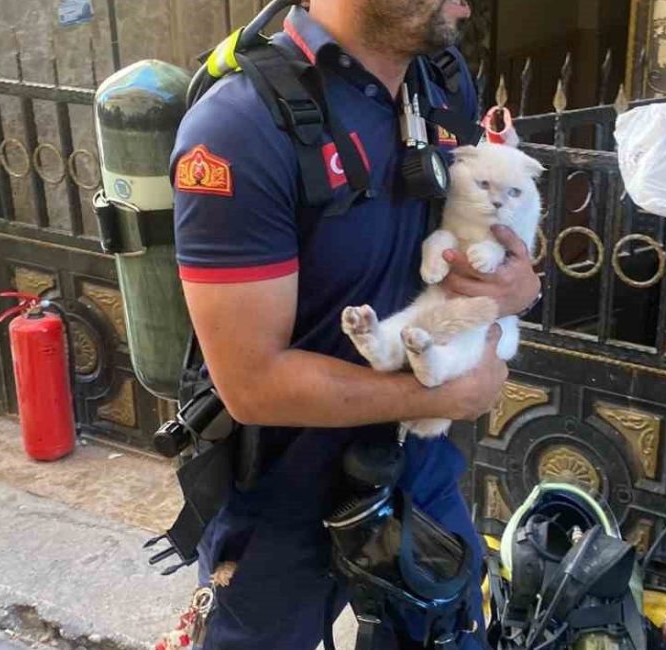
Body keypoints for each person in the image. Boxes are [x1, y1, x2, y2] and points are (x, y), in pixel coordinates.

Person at [171, 1, 542, 647]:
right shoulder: (238, 128)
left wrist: (521, 286)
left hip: (416, 465)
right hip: (283, 489)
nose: (467, 3)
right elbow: (251, 383)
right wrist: (442, 396)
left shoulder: (443, 81)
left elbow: (477, 235)